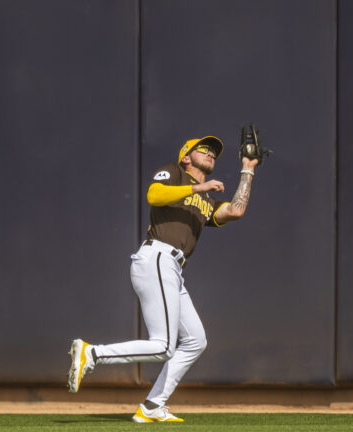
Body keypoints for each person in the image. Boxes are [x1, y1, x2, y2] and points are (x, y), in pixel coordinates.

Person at [67, 134, 259, 423]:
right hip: (157, 257)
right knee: (164, 345)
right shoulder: (175, 171)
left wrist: (248, 167)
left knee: (195, 340)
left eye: (214, 152)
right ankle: (91, 354)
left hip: (173, 268)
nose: (211, 154)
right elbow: (153, 195)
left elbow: (236, 210)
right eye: (204, 149)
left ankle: (153, 405)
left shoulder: (204, 199)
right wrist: (197, 186)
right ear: (186, 156)